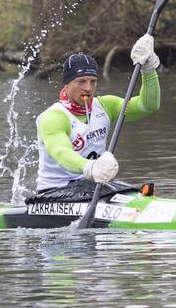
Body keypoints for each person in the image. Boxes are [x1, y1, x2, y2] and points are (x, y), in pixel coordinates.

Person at [35, 34, 161, 192]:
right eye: (81, 81)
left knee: (145, 191)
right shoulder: (54, 117)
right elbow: (61, 153)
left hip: (92, 187)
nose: (88, 87)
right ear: (67, 85)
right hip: (55, 191)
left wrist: (149, 71)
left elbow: (148, 106)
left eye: (92, 81)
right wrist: (90, 167)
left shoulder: (106, 106)